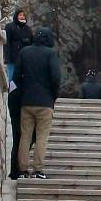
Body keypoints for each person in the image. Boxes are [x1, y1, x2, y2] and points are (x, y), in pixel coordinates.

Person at [14, 27, 60, 179]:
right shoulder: (51, 54)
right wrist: (53, 96)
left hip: (27, 102)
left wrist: (21, 94)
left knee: (25, 136)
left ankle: (22, 170)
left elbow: (16, 76)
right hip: (45, 102)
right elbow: (55, 77)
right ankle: (37, 170)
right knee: (41, 137)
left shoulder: (24, 52)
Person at [3, 8, 32, 87]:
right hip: (12, 58)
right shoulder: (9, 27)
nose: (22, 17)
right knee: (12, 79)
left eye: (23, 15)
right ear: (16, 16)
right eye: (20, 15)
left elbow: (31, 43)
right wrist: (7, 57)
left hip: (25, 59)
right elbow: (7, 43)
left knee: (24, 79)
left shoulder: (28, 29)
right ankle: (12, 92)